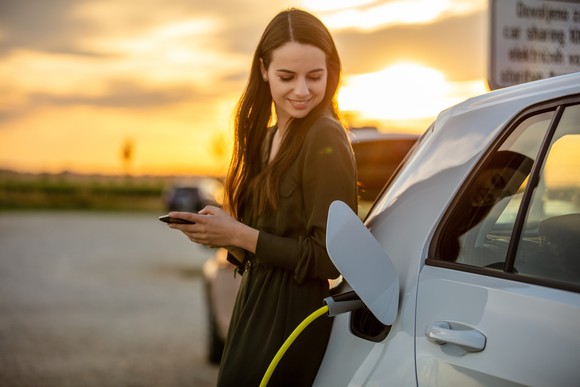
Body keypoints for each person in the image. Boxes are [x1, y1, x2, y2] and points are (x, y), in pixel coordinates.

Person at [165, 8, 358, 386]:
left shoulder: (325, 136)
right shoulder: (265, 139)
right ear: (263, 70)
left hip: (293, 319)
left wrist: (238, 235)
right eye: (287, 76)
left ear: (330, 74)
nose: (302, 91)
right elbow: (260, 242)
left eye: (314, 77)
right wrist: (218, 232)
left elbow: (328, 259)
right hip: (252, 306)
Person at [438, 150, 533, 262]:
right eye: (497, 182)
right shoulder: (434, 214)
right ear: (481, 167)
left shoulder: (452, 229)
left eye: (503, 196)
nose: (493, 195)